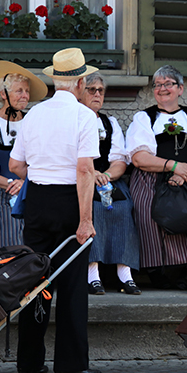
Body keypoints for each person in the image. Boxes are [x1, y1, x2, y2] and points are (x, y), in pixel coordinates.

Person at [9, 48, 101, 373]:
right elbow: (85, 170)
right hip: (69, 201)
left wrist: (41, 167)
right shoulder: (84, 117)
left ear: (53, 79)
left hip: (38, 201)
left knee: (35, 280)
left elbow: (15, 165)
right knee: (74, 284)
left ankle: (29, 361)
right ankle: (71, 364)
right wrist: (86, 219)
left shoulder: (33, 115)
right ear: (80, 82)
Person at [126, 65, 187, 290]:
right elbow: (139, 158)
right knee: (145, 208)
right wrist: (172, 167)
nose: (162, 88)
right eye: (157, 85)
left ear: (180, 88)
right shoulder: (144, 118)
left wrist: (185, 173)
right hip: (152, 178)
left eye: (168, 83)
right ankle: (155, 272)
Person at [0, 61, 47, 258]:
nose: (25, 96)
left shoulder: (33, 122)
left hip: (30, 186)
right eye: (19, 91)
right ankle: (5, 271)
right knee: (8, 220)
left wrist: (25, 183)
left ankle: (37, 271)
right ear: (4, 94)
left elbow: (43, 161)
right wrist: (12, 183)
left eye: (27, 91)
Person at [79, 72, 141, 296]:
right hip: (80, 180)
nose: (97, 94)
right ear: (80, 92)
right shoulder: (73, 119)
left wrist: (105, 175)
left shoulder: (109, 122)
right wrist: (91, 174)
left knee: (123, 207)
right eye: (91, 89)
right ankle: (92, 275)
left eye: (100, 91)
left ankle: (125, 274)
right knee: (93, 209)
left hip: (107, 179)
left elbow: (119, 161)